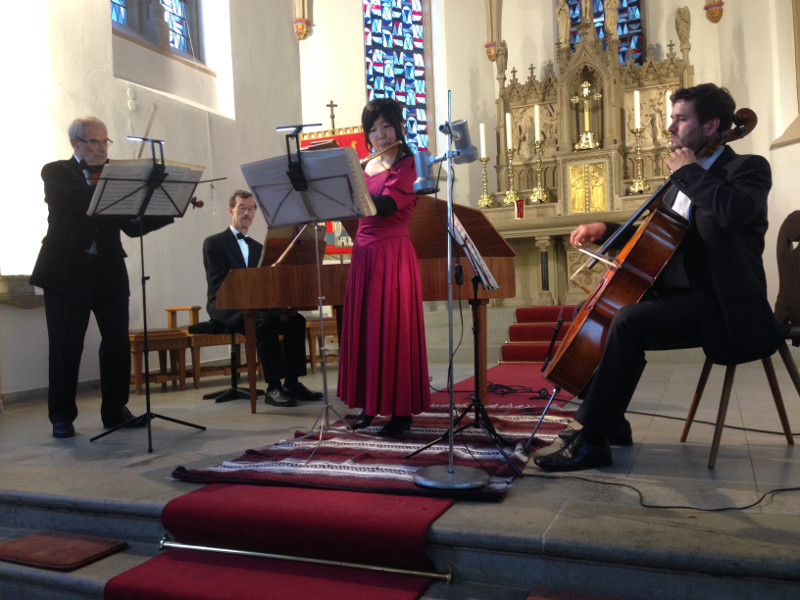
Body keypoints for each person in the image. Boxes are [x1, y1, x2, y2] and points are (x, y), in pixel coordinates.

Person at [535, 83, 781, 472]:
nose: (670, 127)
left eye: (681, 119)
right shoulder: (681, 178)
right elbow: (660, 235)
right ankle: (610, 419)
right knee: (596, 312)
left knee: (628, 322)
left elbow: (732, 214)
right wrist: (606, 228)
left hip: (721, 303)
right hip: (678, 295)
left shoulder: (746, 169)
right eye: (672, 118)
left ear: (712, 125)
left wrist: (688, 173)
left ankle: (592, 440)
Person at [31, 116, 173, 438]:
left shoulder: (113, 179)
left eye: (104, 142)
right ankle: (62, 416)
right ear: (75, 144)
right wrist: (111, 183)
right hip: (67, 271)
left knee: (117, 344)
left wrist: (164, 207)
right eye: (93, 142)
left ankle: (115, 410)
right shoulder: (56, 172)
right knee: (66, 346)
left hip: (108, 270)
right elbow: (66, 202)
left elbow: (132, 227)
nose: (100, 149)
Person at [337, 98, 430, 437]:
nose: (380, 135)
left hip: (392, 254)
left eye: (385, 127)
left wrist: (349, 186)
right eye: (373, 129)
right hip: (363, 253)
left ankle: (401, 412)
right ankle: (368, 405)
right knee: (365, 330)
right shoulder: (365, 167)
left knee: (392, 328)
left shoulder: (410, 165)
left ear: (398, 127)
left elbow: (388, 205)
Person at [202, 189, 322, 407]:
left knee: (296, 321)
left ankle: (291, 383)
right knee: (263, 322)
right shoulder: (214, 243)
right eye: (241, 208)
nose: (246, 213)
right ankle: (273, 387)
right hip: (226, 306)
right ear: (231, 210)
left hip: (256, 305)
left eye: (251, 209)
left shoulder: (259, 248)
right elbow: (218, 283)